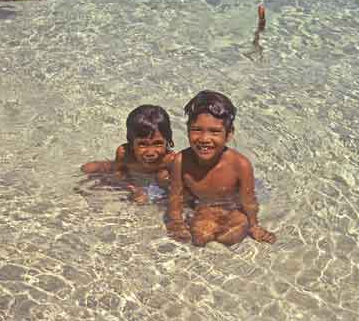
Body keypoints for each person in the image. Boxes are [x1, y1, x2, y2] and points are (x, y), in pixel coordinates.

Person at [165, 90, 276, 246]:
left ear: (229, 135)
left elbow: (248, 200)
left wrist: (254, 225)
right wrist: (176, 222)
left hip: (231, 207)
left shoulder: (240, 165)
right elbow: (176, 196)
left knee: (231, 237)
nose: (204, 139)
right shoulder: (181, 161)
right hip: (204, 207)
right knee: (199, 237)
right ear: (188, 129)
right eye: (197, 129)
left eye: (215, 131)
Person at [81, 105, 175, 204]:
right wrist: (134, 189)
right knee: (87, 168)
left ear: (167, 141)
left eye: (158, 143)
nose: (150, 152)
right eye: (142, 144)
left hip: (155, 175)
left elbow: (176, 185)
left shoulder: (170, 159)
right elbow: (119, 173)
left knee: (162, 177)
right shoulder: (124, 154)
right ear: (131, 144)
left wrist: (163, 186)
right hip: (129, 168)